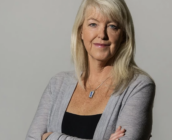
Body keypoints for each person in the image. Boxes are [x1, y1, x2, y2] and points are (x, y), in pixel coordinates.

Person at [26, 0, 155, 140]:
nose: (102, 34)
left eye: (112, 26)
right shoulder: (58, 84)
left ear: (123, 35)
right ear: (81, 31)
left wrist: (51, 137)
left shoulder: (138, 86)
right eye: (93, 24)